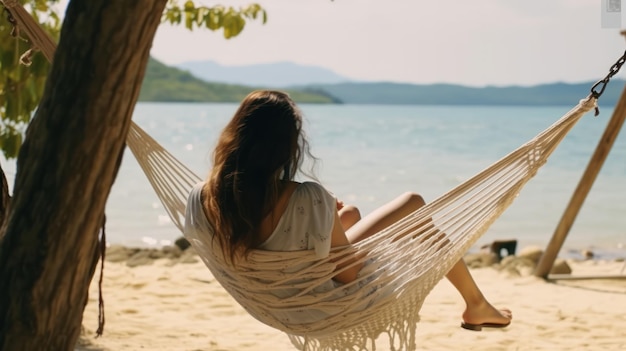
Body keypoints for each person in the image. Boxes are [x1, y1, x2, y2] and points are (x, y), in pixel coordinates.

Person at [185, 90, 512, 331]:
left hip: (269, 304)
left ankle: (476, 303)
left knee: (351, 212)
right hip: (320, 306)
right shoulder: (307, 197)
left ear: (236, 135)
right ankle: (475, 303)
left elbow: (262, 243)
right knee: (414, 205)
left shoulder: (200, 197)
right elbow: (347, 274)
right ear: (288, 146)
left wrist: (326, 217)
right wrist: (319, 209)